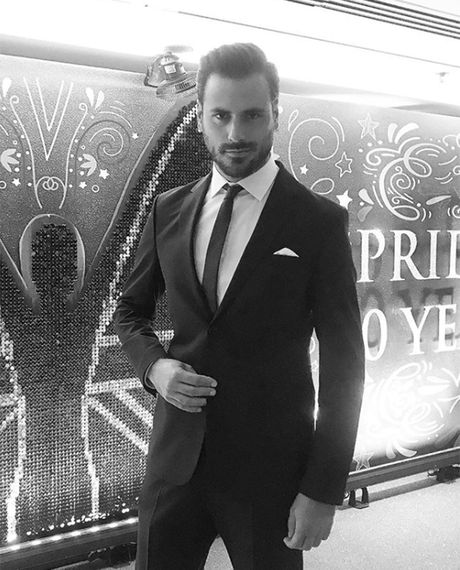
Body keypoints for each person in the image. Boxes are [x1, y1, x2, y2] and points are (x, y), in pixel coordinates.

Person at [114, 42, 365, 570]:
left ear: (275, 112)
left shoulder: (318, 222)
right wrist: (154, 368)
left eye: (252, 115)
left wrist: (323, 488)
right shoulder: (169, 210)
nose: (235, 133)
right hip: (175, 462)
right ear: (200, 117)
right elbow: (130, 311)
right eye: (220, 116)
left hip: (271, 470)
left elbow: (345, 361)